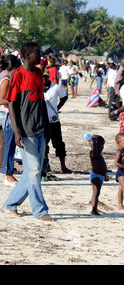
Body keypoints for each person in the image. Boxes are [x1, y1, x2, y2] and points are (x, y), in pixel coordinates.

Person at [2, 42, 54, 221]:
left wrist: (47, 127)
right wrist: (17, 132)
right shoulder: (18, 75)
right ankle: (40, 210)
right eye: (36, 53)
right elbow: (11, 103)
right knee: (33, 171)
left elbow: (41, 102)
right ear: (25, 56)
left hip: (40, 128)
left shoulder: (39, 73)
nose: (39, 56)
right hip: (25, 131)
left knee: (33, 171)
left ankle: (11, 203)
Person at [43, 72, 72, 174]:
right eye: (42, 76)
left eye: (46, 76)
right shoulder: (36, 87)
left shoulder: (56, 87)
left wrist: (57, 108)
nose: (44, 78)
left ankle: (63, 166)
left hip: (54, 120)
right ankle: (46, 166)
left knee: (59, 144)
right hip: (42, 121)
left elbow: (64, 97)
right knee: (44, 144)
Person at [0, 55, 21, 186]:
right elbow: (1, 99)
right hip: (7, 115)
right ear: (12, 68)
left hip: (9, 114)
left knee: (9, 145)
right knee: (9, 145)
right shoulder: (6, 80)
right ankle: (7, 174)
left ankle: (8, 172)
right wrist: (15, 100)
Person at [88, 135, 108, 216]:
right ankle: (93, 210)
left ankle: (95, 208)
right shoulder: (93, 153)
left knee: (97, 194)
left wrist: (104, 175)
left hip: (100, 176)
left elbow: (102, 166)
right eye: (101, 145)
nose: (102, 147)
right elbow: (94, 153)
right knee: (95, 194)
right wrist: (95, 145)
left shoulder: (99, 154)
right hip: (95, 176)